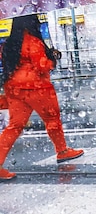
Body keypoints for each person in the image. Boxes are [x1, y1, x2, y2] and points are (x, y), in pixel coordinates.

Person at [0, 15, 84, 180]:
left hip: (14, 88)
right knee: (52, 119)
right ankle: (62, 151)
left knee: (15, 126)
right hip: (37, 88)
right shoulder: (33, 41)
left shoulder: (10, 43)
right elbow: (41, 66)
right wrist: (52, 59)